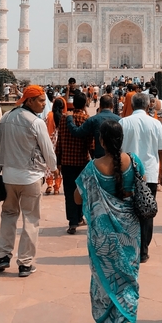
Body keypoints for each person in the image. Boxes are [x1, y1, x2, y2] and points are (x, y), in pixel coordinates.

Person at [74, 120, 143, 323]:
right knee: (128, 276)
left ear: (101, 141)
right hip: (130, 233)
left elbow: (77, 199)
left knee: (104, 278)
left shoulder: (92, 168)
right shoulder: (134, 162)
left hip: (103, 236)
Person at [0, 85, 59, 276]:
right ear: (29, 100)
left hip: (9, 176)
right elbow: (48, 150)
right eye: (40, 101)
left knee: (8, 215)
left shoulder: (6, 118)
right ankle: (25, 263)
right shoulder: (36, 123)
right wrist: (53, 170)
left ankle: (3, 256)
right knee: (30, 219)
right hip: (31, 177)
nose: (43, 105)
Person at [121, 93, 162, 263]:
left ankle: (129, 247)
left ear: (132, 105)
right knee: (147, 211)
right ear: (148, 106)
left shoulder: (123, 123)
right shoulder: (155, 123)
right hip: (149, 174)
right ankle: (144, 250)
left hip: (127, 174)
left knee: (127, 212)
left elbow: (116, 151)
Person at [55, 91, 93, 234]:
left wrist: (58, 161)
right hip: (82, 161)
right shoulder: (86, 119)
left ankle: (72, 221)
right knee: (82, 191)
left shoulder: (64, 119)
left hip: (67, 162)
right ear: (84, 104)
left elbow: (59, 142)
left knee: (69, 192)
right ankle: (80, 217)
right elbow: (91, 143)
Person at [65, 94, 120, 158]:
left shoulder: (93, 120)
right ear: (112, 106)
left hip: (99, 159)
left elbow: (76, 132)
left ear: (100, 105)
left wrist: (69, 118)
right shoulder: (120, 120)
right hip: (115, 158)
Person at [45, 97, 65, 194]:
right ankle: (57, 188)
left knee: (49, 165)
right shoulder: (64, 117)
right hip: (60, 144)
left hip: (50, 142)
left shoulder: (49, 115)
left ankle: (49, 184)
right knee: (59, 165)